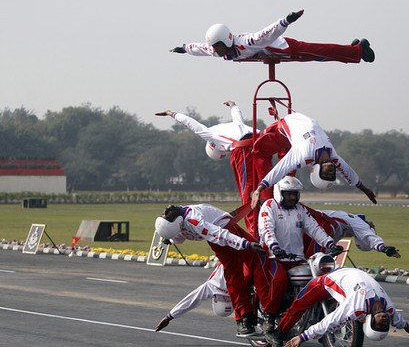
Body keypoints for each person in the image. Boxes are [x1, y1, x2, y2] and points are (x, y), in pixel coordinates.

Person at [154, 203, 265, 337]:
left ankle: (245, 320)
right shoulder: (179, 221)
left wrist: (244, 244)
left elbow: (219, 234)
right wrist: (169, 316)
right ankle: (254, 316)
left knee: (238, 276)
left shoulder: (194, 221)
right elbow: (193, 298)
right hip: (226, 232)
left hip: (223, 234)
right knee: (259, 259)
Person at [155, 101, 265, 236]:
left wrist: (171, 114)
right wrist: (233, 106)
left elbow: (191, 124)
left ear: (214, 148)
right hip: (261, 141)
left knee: (246, 191)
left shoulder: (211, 135)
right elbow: (238, 116)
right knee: (265, 185)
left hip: (244, 147)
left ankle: (255, 231)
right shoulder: (232, 126)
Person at [257, 176, 344, 332]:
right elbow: (266, 229)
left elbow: (315, 229)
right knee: (279, 280)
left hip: (297, 258)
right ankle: (269, 318)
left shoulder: (300, 210)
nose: (292, 197)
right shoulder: (269, 206)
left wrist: (330, 243)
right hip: (274, 257)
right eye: (288, 193)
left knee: (318, 279)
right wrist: (274, 246)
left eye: (295, 194)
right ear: (279, 193)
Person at [250, 112, 377, 209]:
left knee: (257, 151)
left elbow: (280, 169)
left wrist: (259, 189)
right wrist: (365, 189)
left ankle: (267, 200)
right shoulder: (333, 156)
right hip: (297, 119)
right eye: (332, 175)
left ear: (316, 171)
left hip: (281, 130)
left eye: (326, 174)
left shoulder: (304, 156)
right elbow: (348, 172)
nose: (331, 171)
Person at [266, 268, 409, 347]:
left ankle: (278, 333)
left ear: (369, 321)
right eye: (385, 325)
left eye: (380, 325)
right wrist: (405, 325)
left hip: (353, 275)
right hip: (332, 278)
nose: (384, 321)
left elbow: (330, 322)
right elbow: (398, 321)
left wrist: (302, 337)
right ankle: (279, 332)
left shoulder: (358, 309)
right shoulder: (383, 309)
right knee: (299, 303)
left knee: (301, 303)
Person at [170, 10, 375, 63]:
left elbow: (267, 33)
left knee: (321, 52)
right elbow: (200, 49)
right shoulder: (219, 51)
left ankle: (357, 52)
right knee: (322, 56)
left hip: (286, 48)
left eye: (217, 46)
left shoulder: (246, 43)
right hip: (280, 54)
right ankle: (352, 50)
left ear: (226, 40)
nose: (215, 50)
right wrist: (184, 48)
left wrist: (286, 21)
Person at [154, 263, 232, 332]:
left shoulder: (212, 286)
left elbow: (190, 301)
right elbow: (190, 301)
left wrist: (169, 317)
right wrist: (169, 317)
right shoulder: (211, 286)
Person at [303, 208, 401, 258]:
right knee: (314, 261)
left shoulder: (349, 224)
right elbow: (370, 238)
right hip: (321, 224)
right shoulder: (361, 224)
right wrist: (383, 248)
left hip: (309, 224)